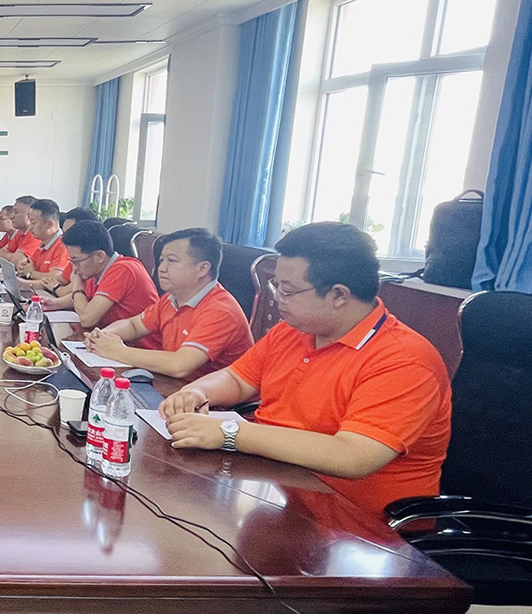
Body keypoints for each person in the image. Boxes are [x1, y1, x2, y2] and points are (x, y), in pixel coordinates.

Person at [158, 222, 452, 519]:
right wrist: (196, 391)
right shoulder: (293, 330)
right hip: (277, 490)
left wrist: (230, 432)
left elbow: (353, 456)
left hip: (359, 524)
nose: (276, 297)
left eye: (287, 290)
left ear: (339, 295)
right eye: (276, 286)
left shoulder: (404, 360)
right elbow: (237, 378)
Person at [84, 228, 253, 379]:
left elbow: (180, 366)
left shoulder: (220, 311)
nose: (161, 268)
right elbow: (133, 325)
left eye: (172, 261)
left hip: (213, 401)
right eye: (162, 260)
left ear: (202, 269)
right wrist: (102, 336)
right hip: (177, 387)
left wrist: (118, 350)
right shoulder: (171, 298)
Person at [40, 221, 157, 330]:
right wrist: (54, 304)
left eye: (77, 261)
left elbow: (87, 319)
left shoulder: (123, 270)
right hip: (113, 338)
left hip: (138, 344)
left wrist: (77, 286)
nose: (74, 269)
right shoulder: (96, 270)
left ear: (99, 256)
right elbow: (86, 297)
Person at [15, 198, 72, 292]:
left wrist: (31, 273)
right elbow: (29, 264)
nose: (30, 227)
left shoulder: (63, 246)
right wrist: (23, 267)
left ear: (49, 224)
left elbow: (55, 278)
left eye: (33, 223)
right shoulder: (43, 243)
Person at [0, 196, 39, 263]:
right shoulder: (20, 233)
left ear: (29, 215)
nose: (12, 216)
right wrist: (12, 256)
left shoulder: (34, 235)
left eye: (16, 212)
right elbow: (1, 251)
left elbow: (17, 260)